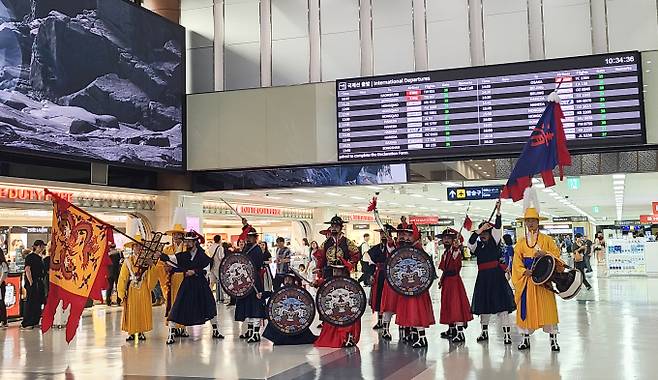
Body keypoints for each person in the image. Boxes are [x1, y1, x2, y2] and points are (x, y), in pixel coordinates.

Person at [512, 194, 562, 352]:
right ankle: (525, 339)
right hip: (527, 281)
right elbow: (516, 262)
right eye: (528, 221)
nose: (530, 223)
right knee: (526, 311)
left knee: (548, 310)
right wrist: (522, 271)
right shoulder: (520, 242)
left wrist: (545, 253)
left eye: (533, 220)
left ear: (538, 222)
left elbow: (557, 255)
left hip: (543, 281)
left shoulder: (547, 240)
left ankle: (553, 340)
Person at [466, 200, 515, 345]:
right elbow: (470, 242)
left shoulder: (495, 240)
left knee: (503, 307)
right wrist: (480, 230)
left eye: (486, 233)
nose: (483, 236)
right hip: (483, 279)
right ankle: (484, 332)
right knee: (483, 307)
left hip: (496, 277)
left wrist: (498, 212)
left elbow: (498, 227)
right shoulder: (477, 246)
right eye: (481, 233)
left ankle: (507, 335)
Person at [161, 231, 223, 344]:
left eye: (190, 241)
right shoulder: (184, 255)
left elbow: (207, 269)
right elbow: (172, 258)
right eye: (187, 241)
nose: (188, 243)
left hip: (201, 284)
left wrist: (194, 271)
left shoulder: (202, 255)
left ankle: (215, 330)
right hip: (188, 284)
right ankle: (171, 334)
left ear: (195, 242)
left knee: (209, 306)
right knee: (178, 306)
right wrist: (160, 255)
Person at [314, 215, 361, 348]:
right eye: (332, 226)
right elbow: (320, 258)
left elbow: (356, 255)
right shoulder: (326, 243)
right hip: (329, 274)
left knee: (345, 304)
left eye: (336, 226)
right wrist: (318, 270)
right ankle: (330, 331)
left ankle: (347, 335)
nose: (334, 228)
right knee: (329, 302)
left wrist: (348, 264)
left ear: (340, 228)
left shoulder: (347, 242)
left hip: (344, 275)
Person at [386, 223, 436, 348]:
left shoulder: (418, 249)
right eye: (404, 235)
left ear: (415, 237)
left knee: (416, 312)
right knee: (411, 312)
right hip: (406, 287)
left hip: (417, 288)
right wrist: (391, 244)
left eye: (409, 235)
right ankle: (416, 335)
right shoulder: (404, 248)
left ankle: (422, 338)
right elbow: (394, 258)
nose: (406, 238)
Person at [262, 271, 318, 345]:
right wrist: (262, 294)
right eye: (286, 279)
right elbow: (272, 295)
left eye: (289, 279)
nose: (287, 281)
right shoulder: (280, 291)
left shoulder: (299, 292)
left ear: (293, 280)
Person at [118, 235, 156, 342]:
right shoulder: (128, 261)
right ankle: (131, 332)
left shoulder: (147, 261)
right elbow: (123, 277)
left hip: (143, 287)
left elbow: (151, 275)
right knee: (131, 310)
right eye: (136, 246)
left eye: (141, 246)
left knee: (141, 309)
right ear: (133, 247)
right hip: (131, 289)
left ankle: (141, 331)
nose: (138, 248)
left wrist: (152, 265)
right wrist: (121, 292)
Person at [438, 228, 473, 343]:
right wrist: (441, 279)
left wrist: (457, 247)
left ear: (453, 240)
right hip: (447, 281)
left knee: (456, 306)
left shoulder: (455, 252)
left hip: (454, 282)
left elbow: (456, 257)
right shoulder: (445, 253)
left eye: (449, 238)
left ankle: (460, 333)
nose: (446, 241)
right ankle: (451, 329)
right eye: (444, 238)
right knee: (447, 304)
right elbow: (445, 269)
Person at [234, 226, 268, 343]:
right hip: (245, 281)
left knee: (255, 306)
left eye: (251, 237)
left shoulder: (257, 249)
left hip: (254, 280)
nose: (249, 239)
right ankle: (249, 330)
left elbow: (257, 265)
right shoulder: (246, 249)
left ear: (255, 238)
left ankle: (256, 333)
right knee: (247, 306)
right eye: (248, 237)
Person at [156, 223, 187, 337]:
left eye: (178, 234)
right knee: (171, 302)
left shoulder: (186, 248)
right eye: (174, 234)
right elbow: (160, 264)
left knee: (184, 302)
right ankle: (172, 327)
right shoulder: (167, 249)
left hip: (184, 278)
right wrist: (165, 268)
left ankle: (183, 327)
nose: (176, 237)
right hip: (171, 279)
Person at [367, 224, 395, 331]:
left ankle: (400, 324)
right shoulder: (374, 249)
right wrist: (370, 275)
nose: (383, 236)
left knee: (390, 299)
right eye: (382, 233)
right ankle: (379, 321)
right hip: (379, 275)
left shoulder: (394, 248)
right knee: (378, 297)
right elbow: (370, 263)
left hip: (390, 275)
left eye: (386, 234)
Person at [21, 240, 46, 329]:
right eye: (41, 246)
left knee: (38, 302)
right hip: (33, 282)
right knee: (31, 301)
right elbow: (27, 269)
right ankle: (27, 322)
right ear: (37, 246)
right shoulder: (30, 257)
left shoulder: (40, 257)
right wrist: (31, 282)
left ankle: (35, 320)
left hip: (39, 282)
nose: (42, 248)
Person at [208, 235, 225, 303]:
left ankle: (208, 297)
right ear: (219, 240)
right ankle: (221, 298)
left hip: (212, 266)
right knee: (221, 282)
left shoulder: (211, 247)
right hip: (219, 267)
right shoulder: (220, 247)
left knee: (211, 283)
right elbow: (221, 257)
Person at [0, 251, 8, 328]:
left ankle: (4, 320)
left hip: (1, 285)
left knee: (1, 302)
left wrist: (0, 282)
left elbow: (5, 273)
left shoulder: (3, 264)